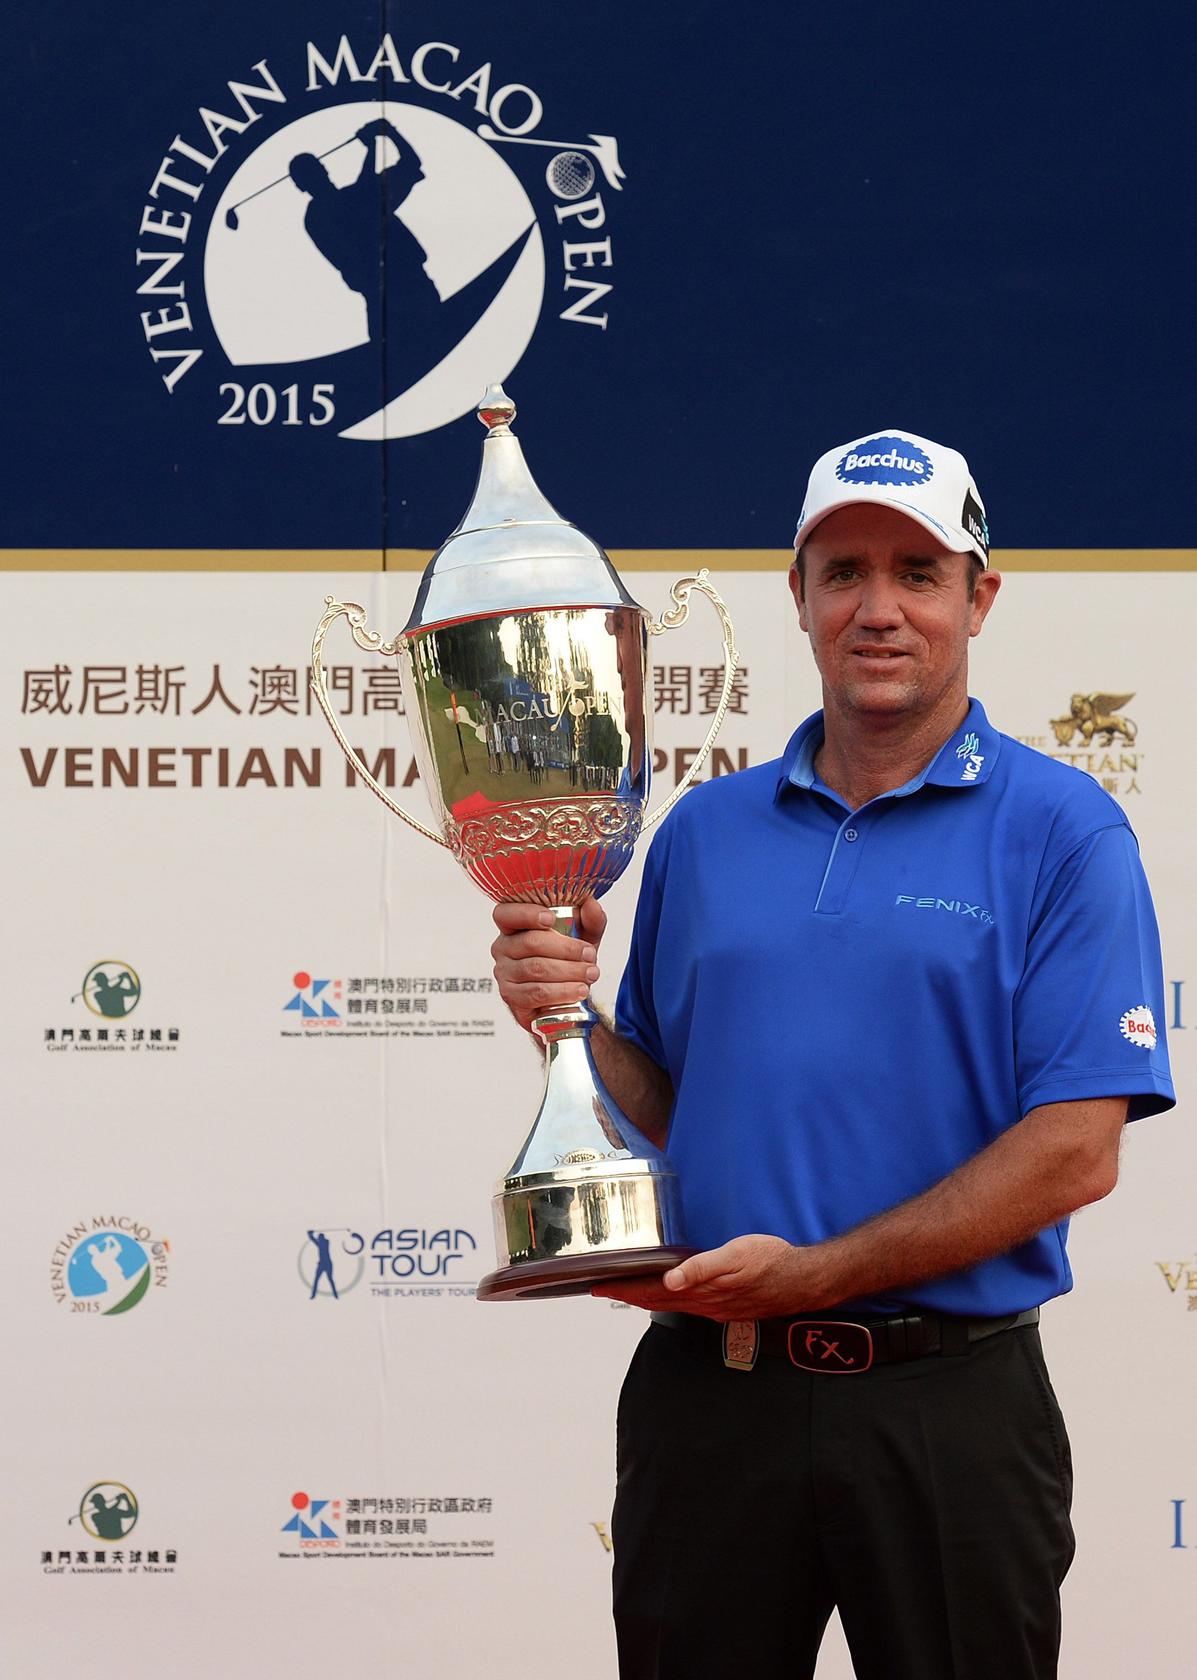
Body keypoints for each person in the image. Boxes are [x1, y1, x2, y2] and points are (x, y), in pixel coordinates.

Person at [490, 429, 1175, 1680]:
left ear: (980, 596)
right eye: (844, 569)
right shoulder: (704, 830)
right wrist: (568, 1019)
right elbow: (665, 1098)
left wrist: (818, 1275)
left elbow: (1075, 1153)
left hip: (950, 1411)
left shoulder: (1066, 832)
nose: (879, 608)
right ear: (797, 594)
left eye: (918, 571)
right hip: (711, 1400)